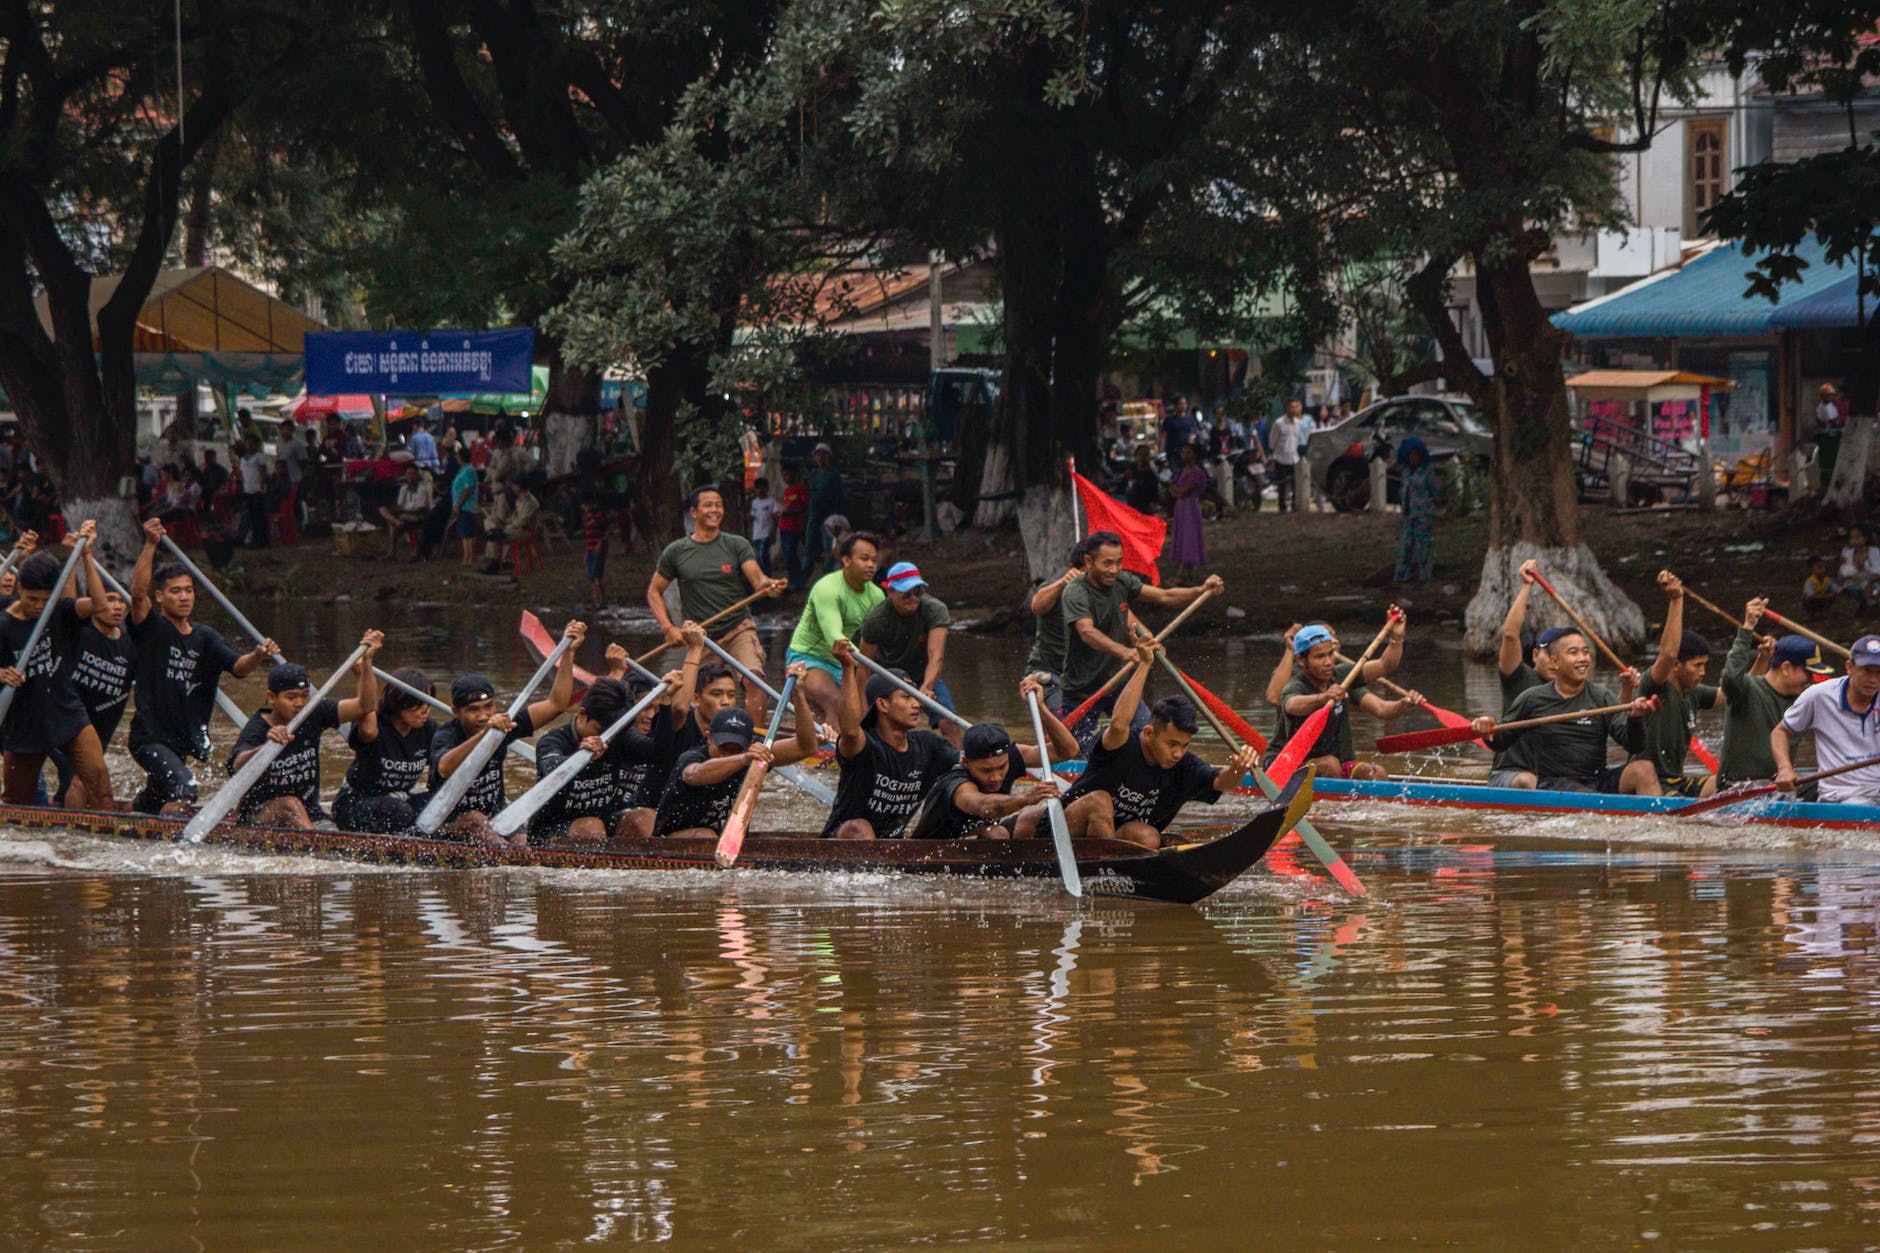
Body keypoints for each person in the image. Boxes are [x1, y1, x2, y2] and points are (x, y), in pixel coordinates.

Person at [127, 519, 280, 813]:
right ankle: (176, 854)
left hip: (181, 739)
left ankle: (138, 815)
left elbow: (239, 668)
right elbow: (136, 595)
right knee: (186, 789)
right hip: (149, 738)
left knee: (158, 798)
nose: (183, 597)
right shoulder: (152, 629)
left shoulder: (205, 636)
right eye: (175, 591)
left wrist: (258, 655)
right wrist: (149, 545)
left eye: (187, 590)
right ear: (160, 596)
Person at [1058, 638, 1261, 850]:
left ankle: (1115, 869)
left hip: (1111, 841)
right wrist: (1144, 664)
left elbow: (1223, 783)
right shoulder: (1123, 744)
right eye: (1172, 744)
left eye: (1184, 745)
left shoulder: (1184, 766)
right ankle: (1106, 866)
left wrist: (1239, 767)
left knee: (1148, 837)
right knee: (1100, 801)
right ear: (1149, 732)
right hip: (1068, 831)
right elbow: (1118, 724)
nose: (1178, 753)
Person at [427, 619, 585, 845]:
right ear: (456, 711)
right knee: (476, 820)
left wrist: (568, 654)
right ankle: (505, 856)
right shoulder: (446, 735)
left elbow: (557, 704)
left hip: (498, 816)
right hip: (453, 822)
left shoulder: (503, 725)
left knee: (523, 843)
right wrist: (485, 735)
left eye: (488, 707)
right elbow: (444, 767)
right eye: (473, 710)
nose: (483, 716)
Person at [1057, 531, 1221, 744]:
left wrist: (1201, 589)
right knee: (1079, 755)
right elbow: (1087, 632)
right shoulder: (1075, 591)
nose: (1113, 570)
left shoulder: (1122, 581)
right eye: (1107, 563)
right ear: (1088, 561)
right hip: (1082, 691)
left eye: (1118, 562)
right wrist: (1126, 652)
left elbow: (1164, 596)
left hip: (1119, 685)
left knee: (1148, 739)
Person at [0, 526, 118, 808]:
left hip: (67, 713)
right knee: (17, 806)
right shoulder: (3, 625)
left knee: (100, 787)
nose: (39, 607)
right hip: (24, 724)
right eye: (32, 599)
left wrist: (87, 555)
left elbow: (100, 607)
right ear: (19, 588)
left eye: (45, 599)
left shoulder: (59, 610)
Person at [647, 484, 784, 721]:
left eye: (719, 505)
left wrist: (768, 585)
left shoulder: (736, 544)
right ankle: (705, 740)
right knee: (696, 695)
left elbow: (757, 579)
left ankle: (757, 743)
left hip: (738, 628)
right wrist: (668, 628)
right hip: (701, 637)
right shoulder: (677, 551)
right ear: (694, 512)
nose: (715, 510)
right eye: (708, 505)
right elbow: (654, 591)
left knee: (754, 680)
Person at [225, 634, 383, 830]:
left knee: (319, 819)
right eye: (291, 697)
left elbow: (365, 705)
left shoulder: (313, 712)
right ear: (272, 698)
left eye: (304, 696)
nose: (300, 703)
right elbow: (237, 765)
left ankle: (321, 842)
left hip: (309, 812)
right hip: (259, 814)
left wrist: (366, 665)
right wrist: (267, 746)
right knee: (290, 804)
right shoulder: (258, 726)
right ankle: (319, 848)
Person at [650, 662, 818, 838]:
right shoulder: (693, 756)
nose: (729, 753)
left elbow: (805, 747)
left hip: (727, 844)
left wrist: (798, 695)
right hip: (672, 841)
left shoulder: (754, 751)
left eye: (736, 748)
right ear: (708, 738)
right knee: (706, 836)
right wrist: (742, 759)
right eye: (723, 746)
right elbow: (694, 774)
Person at [821, 640, 964, 839]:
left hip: (891, 849)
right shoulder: (863, 744)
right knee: (859, 828)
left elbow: (969, 761)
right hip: (844, 842)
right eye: (906, 697)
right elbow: (851, 731)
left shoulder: (929, 745)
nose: (916, 705)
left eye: (915, 697)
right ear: (882, 704)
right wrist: (847, 668)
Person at [1474, 630, 1649, 793]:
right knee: (1583, 794)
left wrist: (1635, 719)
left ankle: (1662, 819)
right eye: (1573, 653)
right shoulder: (1532, 699)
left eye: (1585, 652)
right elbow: (1500, 742)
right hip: (1554, 785)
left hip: (1597, 779)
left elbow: (1633, 745)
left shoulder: (1601, 697)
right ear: (1554, 662)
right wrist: (1487, 728)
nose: (1582, 659)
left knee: (1644, 769)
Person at [902, 686, 1079, 842]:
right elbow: (985, 806)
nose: (995, 777)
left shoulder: (1013, 755)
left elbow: (1068, 750)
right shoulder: (958, 785)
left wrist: (1041, 709)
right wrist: (1027, 797)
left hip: (987, 833)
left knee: (1054, 814)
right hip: (936, 849)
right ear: (966, 762)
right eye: (986, 770)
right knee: (996, 834)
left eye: (1001, 768)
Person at [528, 672, 679, 845]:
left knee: (645, 817)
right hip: (551, 829)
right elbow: (550, 768)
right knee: (591, 826)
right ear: (583, 715)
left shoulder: (618, 736)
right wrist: (581, 757)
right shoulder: (553, 741)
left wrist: (667, 702)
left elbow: (660, 754)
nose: (605, 740)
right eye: (600, 730)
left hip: (605, 822)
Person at [1271, 618, 1420, 781]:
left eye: (1330, 654)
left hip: (1337, 765)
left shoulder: (1343, 676)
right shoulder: (1294, 685)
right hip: (1290, 766)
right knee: (1330, 765)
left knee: (1377, 773)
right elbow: (1291, 705)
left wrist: (1396, 638)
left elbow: (1384, 666)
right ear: (1301, 660)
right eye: (1320, 657)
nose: (1328, 662)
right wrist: (1324, 697)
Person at [1618, 573, 1722, 797]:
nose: (1704, 672)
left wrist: (1756, 646)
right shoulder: (1655, 684)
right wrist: (1676, 600)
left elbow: (1735, 691)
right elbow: (1666, 655)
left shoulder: (1693, 692)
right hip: (1648, 780)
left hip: (1677, 780)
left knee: (1725, 780)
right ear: (1677, 665)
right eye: (1698, 665)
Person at [1716, 598, 1834, 791]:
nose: (1811, 679)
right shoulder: (1747, 690)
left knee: (1828, 788)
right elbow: (1730, 677)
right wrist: (1747, 628)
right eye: (1808, 673)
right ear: (1786, 668)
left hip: (1779, 786)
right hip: (1737, 788)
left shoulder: (1805, 700)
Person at [785, 531, 885, 728]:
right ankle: (838, 753)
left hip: (843, 662)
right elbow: (835, 638)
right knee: (838, 703)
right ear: (846, 560)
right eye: (864, 559)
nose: (871, 565)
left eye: (874, 560)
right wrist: (867, 662)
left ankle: (842, 741)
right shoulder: (827, 589)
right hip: (807, 658)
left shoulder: (876, 595)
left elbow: (881, 639)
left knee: (877, 707)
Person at [857, 562, 960, 745]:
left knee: (949, 721)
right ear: (890, 592)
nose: (913, 598)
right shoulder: (877, 619)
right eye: (906, 594)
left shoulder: (935, 610)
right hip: (888, 678)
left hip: (923, 676)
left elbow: (936, 656)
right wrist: (865, 712)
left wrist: (926, 688)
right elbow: (864, 667)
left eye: (918, 592)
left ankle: (959, 766)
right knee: (886, 729)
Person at [1771, 634, 1880, 803]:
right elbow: (1780, 732)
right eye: (1867, 671)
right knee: (1859, 804)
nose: (1874, 680)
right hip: (1842, 795)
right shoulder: (1819, 696)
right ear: (1850, 667)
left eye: (1879, 673)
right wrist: (1785, 769)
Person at [57, 579, 137, 807]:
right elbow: (67, 603)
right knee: (81, 781)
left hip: (101, 731)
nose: (118, 606)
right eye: (111, 600)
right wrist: (80, 554)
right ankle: (73, 836)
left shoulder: (130, 644)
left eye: (122, 601)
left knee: (91, 790)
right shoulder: (79, 633)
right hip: (67, 722)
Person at [333, 666, 439, 835]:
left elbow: (446, 766)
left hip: (399, 800)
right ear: (398, 701)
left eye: (428, 702)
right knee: (399, 810)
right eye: (418, 703)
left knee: (440, 803)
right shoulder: (375, 724)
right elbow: (367, 724)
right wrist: (363, 670)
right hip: (356, 804)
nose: (425, 710)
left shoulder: (429, 728)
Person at [1025, 540, 1088, 715]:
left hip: (1086, 677)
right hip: (1049, 673)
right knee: (1068, 732)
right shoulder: (1055, 589)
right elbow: (1037, 606)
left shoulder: (1106, 594)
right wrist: (1062, 583)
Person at [1394, 436, 1439, 583]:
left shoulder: (1427, 471)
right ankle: (1401, 576)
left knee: (1424, 547)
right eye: (1411, 455)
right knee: (1404, 547)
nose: (1414, 458)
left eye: (1417, 454)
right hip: (1407, 515)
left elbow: (1435, 492)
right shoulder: (1406, 472)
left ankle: (1425, 576)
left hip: (1423, 515)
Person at [1166, 443, 1208, 586]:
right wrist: (1177, 491)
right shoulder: (1181, 471)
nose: (1185, 455)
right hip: (1181, 507)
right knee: (1182, 537)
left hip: (1190, 507)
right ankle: (1187, 574)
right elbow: (1173, 489)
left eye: (1188, 452)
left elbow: (1183, 491)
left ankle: (1183, 573)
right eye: (1183, 452)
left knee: (1189, 538)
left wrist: (1177, 491)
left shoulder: (1197, 473)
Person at [480, 478, 539, 574]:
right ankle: (496, 561)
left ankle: (495, 564)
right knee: (492, 527)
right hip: (515, 528)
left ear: (520, 486)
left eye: (515, 485)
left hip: (523, 531)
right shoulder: (520, 498)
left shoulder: (530, 501)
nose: (513, 487)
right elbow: (514, 516)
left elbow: (523, 521)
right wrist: (506, 522)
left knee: (496, 535)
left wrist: (508, 527)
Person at [379, 463, 434, 558]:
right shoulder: (403, 489)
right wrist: (396, 510)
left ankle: (392, 552)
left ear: (417, 476)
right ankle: (396, 522)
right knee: (383, 509)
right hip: (403, 515)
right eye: (408, 474)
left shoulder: (422, 489)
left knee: (392, 524)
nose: (410, 476)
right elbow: (399, 505)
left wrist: (401, 511)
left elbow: (419, 510)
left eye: (412, 474)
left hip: (417, 516)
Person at [806, 444, 845, 573]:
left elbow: (839, 496)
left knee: (828, 547)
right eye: (818, 454)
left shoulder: (833, 475)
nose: (820, 457)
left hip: (829, 515)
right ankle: (804, 575)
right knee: (809, 546)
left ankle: (828, 574)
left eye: (823, 454)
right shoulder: (813, 475)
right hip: (814, 513)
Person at [778, 464, 811, 591]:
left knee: (791, 553)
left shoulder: (800, 488)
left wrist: (792, 512)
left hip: (794, 526)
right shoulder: (787, 491)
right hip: (784, 525)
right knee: (787, 554)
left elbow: (804, 506)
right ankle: (792, 580)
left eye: (787, 474)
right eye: (783, 474)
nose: (785, 477)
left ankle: (797, 581)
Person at [1269, 400, 1303, 513]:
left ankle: (1294, 506)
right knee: (1282, 485)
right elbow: (1272, 442)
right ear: (1286, 408)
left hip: (1294, 458)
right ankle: (1282, 506)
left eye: (1295, 407)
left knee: (1295, 485)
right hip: (1281, 458)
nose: (1293, 410)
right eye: (1291, 407)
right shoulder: (1279, 423)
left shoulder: (1299, 423)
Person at [1838, 525, 1880, 613]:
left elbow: (1877, 572)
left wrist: (1864, 571)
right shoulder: (1847, 553)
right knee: (1853, 586)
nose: (1854, 540)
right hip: (1855, 583)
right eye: (1852, 537)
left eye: (1857, 537)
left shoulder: (1874, 551)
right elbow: (1843, 575)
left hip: (1873, 582)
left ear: (1865, 538)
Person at [448, 456, 480, 567]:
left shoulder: (469, 470)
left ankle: (470, 557)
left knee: (468, 533)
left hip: (467, 506)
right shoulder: (462, 470)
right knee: (464, 534)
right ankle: (466, 556)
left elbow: (468, 489)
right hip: (462, 506)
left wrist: (459, 504)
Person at [237, 437, 269, 547]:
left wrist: (262, 487)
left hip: (257, 490)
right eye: (248, 443)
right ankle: (255, 538)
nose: (250, 445)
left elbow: (263, 473)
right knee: (251, 515)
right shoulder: (243, 458)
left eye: (253, 443)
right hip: (248, 489)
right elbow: (242, 475)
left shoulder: (259, 457)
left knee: (259, 516)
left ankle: (262, 539)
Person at [580, 493, 610, 607]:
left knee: (597, 575)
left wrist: (600, 543)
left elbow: (606, 531)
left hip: (599, 548)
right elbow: (587, 536)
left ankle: (601, 600)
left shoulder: (598, 516)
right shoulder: (585, 517)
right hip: (590, 548)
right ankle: (596, 598)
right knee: (592, 575)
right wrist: (587, 552)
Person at [1205, 409, 1238, 512]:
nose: (1221, 416)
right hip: (1217, 461)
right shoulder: (1213, 431)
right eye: (1218, 414)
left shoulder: (1228, 430)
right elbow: (1210, 448)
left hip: (1228, 459)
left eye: (1222, 413)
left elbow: (1232, 444)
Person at [748, 476, 780, 576]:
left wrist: (773, 533)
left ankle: (767, 576)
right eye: (758, 488)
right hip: (756, 534)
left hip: (767, 533)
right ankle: (765, 576)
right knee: (758, 557)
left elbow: (775, 517)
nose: (760, 490)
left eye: (763, 487)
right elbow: (752, 518)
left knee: (763, 555)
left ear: (767, 489)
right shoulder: (754, 502)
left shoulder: (771, 501)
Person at [1124, 444, 1161, 515]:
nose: (1142, 457)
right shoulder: (1131, 471)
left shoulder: (1151, 476)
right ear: (1136, 456)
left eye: (1146, 455)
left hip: (1145, 511)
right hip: (1130, 509)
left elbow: (1154, 497)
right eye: (1140, 454)